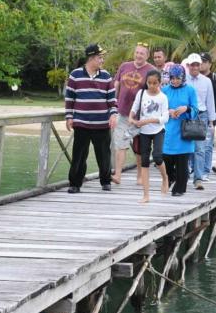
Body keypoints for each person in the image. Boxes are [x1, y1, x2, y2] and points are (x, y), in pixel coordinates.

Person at [64, 44, 118, 193]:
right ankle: (75, 184)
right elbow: (69, 98)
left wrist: (113, 114)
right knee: (79, 156)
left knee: (104, 155)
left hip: (101, 123)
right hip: (81, 123)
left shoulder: (106, 76)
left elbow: (112, 100)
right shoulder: (75, 75)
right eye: (100, 57)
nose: (102, 60)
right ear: (91, 58)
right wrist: (69, 117)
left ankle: (106, 181)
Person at [112, 43, 155, 185]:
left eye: (142, 53)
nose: (138, 55)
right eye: (137, 52)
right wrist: (113, 104)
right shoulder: (125, 66)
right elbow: (116, 84)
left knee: (140, 148)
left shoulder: (151, 70)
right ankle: (117, 175)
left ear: (147, 56)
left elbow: (154, 91)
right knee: (120, 143)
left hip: (141, 116)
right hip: (123, 112)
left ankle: (140, 176)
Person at [129, 70, 170, 203]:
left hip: (158, 130)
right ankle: (146, 195)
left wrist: (148, 120)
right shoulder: (141, 93)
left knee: (158, 156)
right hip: (143, 132)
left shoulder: (163, 97)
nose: (152, 86)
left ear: (159, 82)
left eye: (155, 83)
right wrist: (131, 118)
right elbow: (134, 108)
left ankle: (165, 178)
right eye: (149, 83)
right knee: (144, 161)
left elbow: (165, 118)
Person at [162, 64, 198, 196]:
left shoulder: (190, 90)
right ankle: (170, 178)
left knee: (182, 161)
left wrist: (186, 108)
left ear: (183, 77)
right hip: (169, 130)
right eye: (172, 78)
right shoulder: (165, 90)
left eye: (178, 78)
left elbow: (196, 109)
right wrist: (168, 111)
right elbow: (158, 108)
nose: (175, 81)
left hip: (184, 130)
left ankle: (180, 188)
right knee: (166, 158)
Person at [185, 53, 216, 190]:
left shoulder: (207, 81)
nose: (195, 67)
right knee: (184, 147)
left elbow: (210, 101)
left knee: (200, 148)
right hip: (185, 115)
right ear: (188, 66)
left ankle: (198, 178)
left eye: (197, 64)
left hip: (201, 116)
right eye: (192, 65)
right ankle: (183, 175)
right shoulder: (183, 80)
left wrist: (211, 120)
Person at [199, 52, 216, 179]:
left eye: (204, 61)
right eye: (200, 61)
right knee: (194, 143)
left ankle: (205, 170)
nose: (201, 64)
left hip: (210, 116)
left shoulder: (215, 79)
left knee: (208, 144)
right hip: (195, 116)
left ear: (210, 63)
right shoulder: (193, 78)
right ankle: (194, 168)